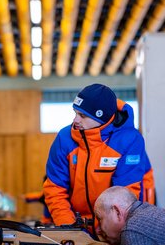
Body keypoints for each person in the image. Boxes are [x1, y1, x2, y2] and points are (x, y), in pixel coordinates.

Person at [43, 83, 155, 233]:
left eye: (82, 115)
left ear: (101, 117)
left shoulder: (129, 140)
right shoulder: (64, 138)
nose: (75, 120)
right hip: (75, 222)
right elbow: (55, 189)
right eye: (75, 113)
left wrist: (106, 234)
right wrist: (70, 230)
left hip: (115, 227)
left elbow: (125, 199)